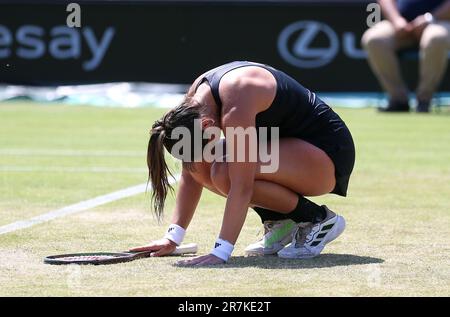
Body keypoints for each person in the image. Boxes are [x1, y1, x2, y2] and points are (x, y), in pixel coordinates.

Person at [131, 61, 355, 266]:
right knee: (209, 167)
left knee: (226, 172)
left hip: (329, 155)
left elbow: (242, 185)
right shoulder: (194, 104)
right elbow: (192, 173)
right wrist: (173, 237)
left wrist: (221, 251)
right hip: (288, 148)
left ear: (208, 125)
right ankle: (280, 220)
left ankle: (317, 219)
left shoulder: (236, 104)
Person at [362, 0, 450, 112]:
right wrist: (396, 19)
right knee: (373, 39)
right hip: (400, 23)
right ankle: (399, 99)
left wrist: (430, 18)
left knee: (437, 37)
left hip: (439, 20)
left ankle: (424, 100)